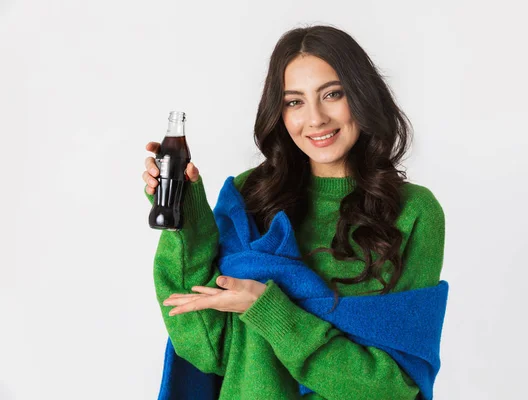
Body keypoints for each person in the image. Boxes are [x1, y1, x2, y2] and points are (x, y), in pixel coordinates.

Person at [142, 25, 446, 400]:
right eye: (294, 102)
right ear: (280, 113)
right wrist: (184, 217)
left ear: (363, 96)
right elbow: (206, 348)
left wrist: (269, 311)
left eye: (332, 94)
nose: (315, 118)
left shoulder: (412, 212)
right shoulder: (248, 198)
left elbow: (390, 387)